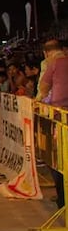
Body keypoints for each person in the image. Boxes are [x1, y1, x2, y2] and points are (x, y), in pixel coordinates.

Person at [37, 39, 68, 209]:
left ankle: (63, 199)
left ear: (47, 52)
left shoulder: (54, 63)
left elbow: (43, 88)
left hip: (60, 116)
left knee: (57, 158)